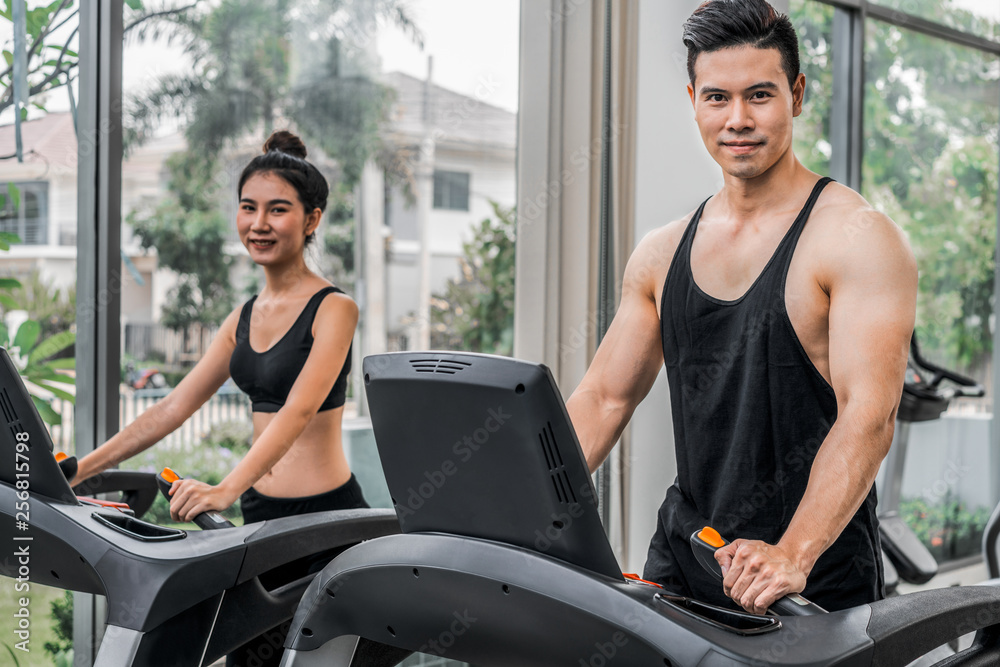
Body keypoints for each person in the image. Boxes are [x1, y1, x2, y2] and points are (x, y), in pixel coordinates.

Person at [566, 0, 917, 615]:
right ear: (694, 99)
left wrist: (793, 552)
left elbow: (869, 415)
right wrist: (519, 504)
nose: (738, 120)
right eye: (717, 98)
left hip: (810, 579)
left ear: (797, 94)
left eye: (759, 95)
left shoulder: (857, 238)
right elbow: (604, 399)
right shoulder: (661, 251)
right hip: (687, 557)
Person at [74, 130, 365, 665]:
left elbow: (299, 410)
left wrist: (224, 488)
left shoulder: (334, 308)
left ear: (312, 219)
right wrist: (77, 470)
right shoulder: (244, 317)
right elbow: (171, 407)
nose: (258, 224)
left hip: (324, 521)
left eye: (278, 210)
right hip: (261, 518)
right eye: (248, 208)